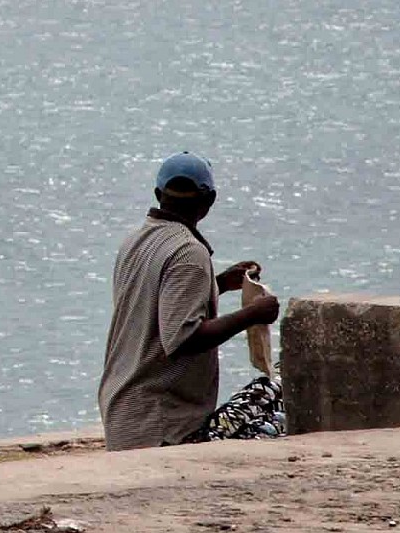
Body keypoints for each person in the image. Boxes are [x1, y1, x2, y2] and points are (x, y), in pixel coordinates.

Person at [97, 152, 285, 451]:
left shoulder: (135, 241)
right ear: (209, 200)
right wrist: (252, 314)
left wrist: (217, 284)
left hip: (124, 411)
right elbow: (183, 338)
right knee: (273, 395)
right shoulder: (188, 253)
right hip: (162, 424)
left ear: (158, 194)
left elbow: (155, 305)